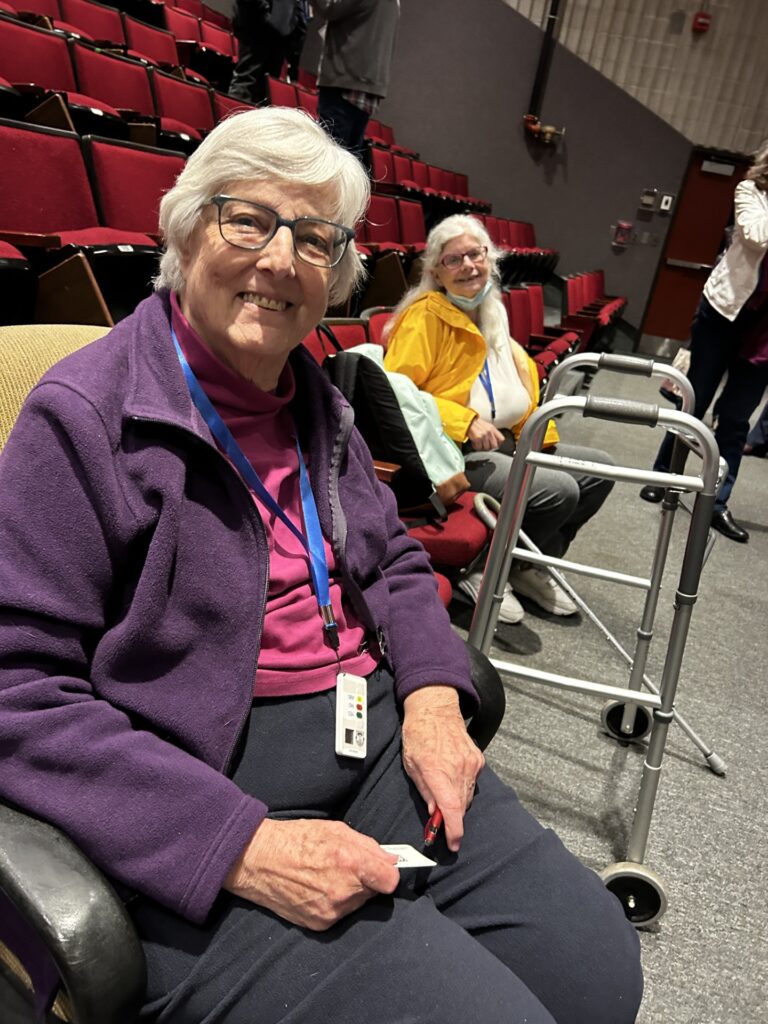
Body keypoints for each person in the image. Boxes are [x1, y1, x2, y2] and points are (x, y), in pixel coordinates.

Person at [0, 108, 642, 1024]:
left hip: (371, 744)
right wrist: (242, 845)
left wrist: (431, 698)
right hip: (195, 789)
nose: (279, 259)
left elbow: (394, 566)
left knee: (596, 970)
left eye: (313, 238)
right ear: (185, 233)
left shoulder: (316, 404)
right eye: (247, 220)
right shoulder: (83, 418)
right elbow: (16, 691)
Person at [384, 214, 616, 624]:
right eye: (454, 259)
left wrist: (541, 435)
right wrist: (465, 422)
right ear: (436, 271)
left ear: (490, 258)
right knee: (557, 490)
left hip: (508, 438)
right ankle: (482, 570)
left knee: (599, 471)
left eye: (476, 254)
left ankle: (524, 565)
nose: (468, 266)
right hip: (452, 451)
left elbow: (516, 383)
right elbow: (396, 393)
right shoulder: (425, 316)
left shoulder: (491, 310)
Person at [640, 141, 768, 543]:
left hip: (764, 334)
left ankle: (715, 502)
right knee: (694, 402)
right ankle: (664, 476)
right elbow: (755, 236)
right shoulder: (751, 190)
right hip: (724, 312)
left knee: (736, 418)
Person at [314, 0, 400, 162]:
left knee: (329, 161)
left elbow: (329, 8)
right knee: (347, 162)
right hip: (366, 86)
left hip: (345, 81)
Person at [229, 0, 305, 106]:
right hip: (257, 26)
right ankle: (238, 115)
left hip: (281, 34)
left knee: (266, 89)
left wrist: (296, 28)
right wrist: (265, 16)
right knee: (247, 81)